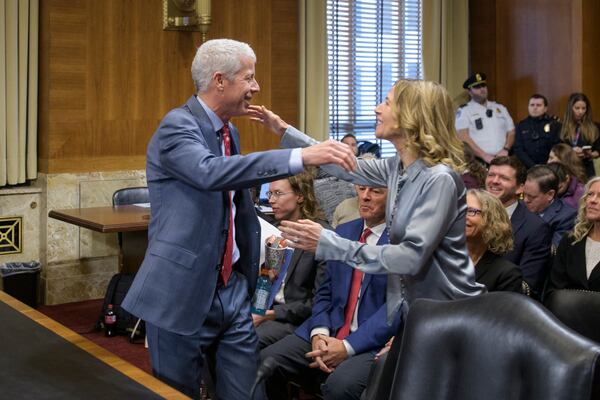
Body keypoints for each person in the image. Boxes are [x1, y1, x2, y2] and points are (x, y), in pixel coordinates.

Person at [121, 38, 356, 400]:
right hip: (181, 291)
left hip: (232, 290)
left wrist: (249, 282)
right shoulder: (176, 126)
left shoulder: (230, 132)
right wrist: (299, 156)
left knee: (248, 392)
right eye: (249, 78)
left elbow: (238, 209)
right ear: (219, 81)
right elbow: (210, 173)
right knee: (178, 393)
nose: (256, 87)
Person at [250, 79, 484, 326]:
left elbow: (409, 258)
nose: (377, 109)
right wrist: (284, 131)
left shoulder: (439, 179)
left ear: (412, 116)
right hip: (420, 313)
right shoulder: (398, 167)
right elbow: (344, 165)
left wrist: (330, 242)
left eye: (387, 102)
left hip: (450, 314)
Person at [261, 184, 399, 400]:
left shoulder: (402, 241)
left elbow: (394, 308)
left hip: (370, 338)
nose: (365, 197)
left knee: (340, 386)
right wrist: (320, 333)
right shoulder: (343, 231)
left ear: (393, 196)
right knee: (267, 361)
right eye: (361, 189)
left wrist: (346, 347)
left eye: (376, 191)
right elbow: (325, 291)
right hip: (329, 326)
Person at [253, 171, 329, 350]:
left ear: (300, 196)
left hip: (295, 320)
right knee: (221, 332)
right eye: (269, 194)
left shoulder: (320, 237)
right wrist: (266, 275)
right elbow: (265, 285)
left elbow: (318, 302)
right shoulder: (276, 231)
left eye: (278, 193)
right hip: (267, 311)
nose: (271, 200)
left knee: (244, 340)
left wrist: (268, 314)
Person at [485, 156, 551, 294]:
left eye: (503, 178)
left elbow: (528, 286)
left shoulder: (535, 228)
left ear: (520, 188)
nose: (494, 181)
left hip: (501, 303)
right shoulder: (468, 215)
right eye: (491, 175)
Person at [547, 177, 600, 294]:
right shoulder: (571, 239)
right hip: (567, 311)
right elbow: (554, 290)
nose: (592, 200)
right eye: (590, 194)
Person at [465, 189, 522, 292]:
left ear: (491, 220)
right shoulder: (439, 259)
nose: (463, 216)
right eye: (460, 210)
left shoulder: (506, 274)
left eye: (471, 211)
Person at [455, 72, 515, 164]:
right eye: (477, 87)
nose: (482, 89)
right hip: (478, 161)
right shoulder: (464, 110)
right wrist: (484, 155)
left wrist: (506, 149)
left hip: (503, 159)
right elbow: (463, 136)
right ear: (469, 91)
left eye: (483, 86)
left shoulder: (500, 108)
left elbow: (511, 131)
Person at [523, 165, 577, 248]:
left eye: (531, 197)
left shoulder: (567, 216)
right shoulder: (521, 205)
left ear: (550, 194)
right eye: (523, 194)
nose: (525, 200)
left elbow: (555, 250)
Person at [513, 94, 561, 168]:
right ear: (528, 107)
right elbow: (518, 149)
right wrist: (533, 166)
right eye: (532, 105)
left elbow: (557, 147)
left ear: (545, 108)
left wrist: (548, 164)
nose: (535, 108)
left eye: (538, 105)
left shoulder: (554, 124)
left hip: (550, 166)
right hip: (527, 168)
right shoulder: (521, 126)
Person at [559, 92, 600, 178]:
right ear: (570, 108)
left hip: (587, 168)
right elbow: (556, 149)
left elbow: (598, 149)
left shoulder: (595, 127)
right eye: (577, 108)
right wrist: (571, 151)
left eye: (583, 108)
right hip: (567, 167)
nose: (580, 112)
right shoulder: (560, 127)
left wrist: (590, 154)